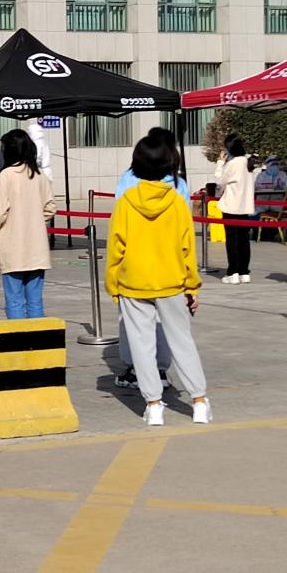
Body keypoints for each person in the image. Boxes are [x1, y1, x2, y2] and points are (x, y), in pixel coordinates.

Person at [105, 134, 211, 427]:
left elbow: (116, 246)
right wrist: (192, 285)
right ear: (168, 164)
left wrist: (113, 284)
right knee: (182, 341)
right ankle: (199, 401)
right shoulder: (177, 201)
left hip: (133, 281)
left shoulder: (126, 202)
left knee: (141, 345)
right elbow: (187, 247)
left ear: (136, 165)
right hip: (171, 281)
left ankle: (153, 405)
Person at [112, 127, 187, 390]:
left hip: (134, 265)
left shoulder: (128, 179)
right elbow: (185, 234)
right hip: (169, 266)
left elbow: (118, 226)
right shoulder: (178, 184)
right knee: (165, 322)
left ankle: (135, 369)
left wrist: (113, 276)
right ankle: (161, 369)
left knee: (132, 323)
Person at [0, 129, 56, 319]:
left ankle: (18, 335)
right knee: (35, 301)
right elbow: (50, 207)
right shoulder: (39, 175)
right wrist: (35, 221)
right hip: (37, 247)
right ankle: (37, 335)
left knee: (14, 300)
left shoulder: (6, 175)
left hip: (12, 245)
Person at [215, 134, 255, 285]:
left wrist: (220, 163)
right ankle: (244, 272)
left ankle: (233, 272)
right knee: (244, 240)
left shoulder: (233, 163)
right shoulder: (247, 161)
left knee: (232, 241)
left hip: (231, 206)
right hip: (245, 206)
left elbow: (220, 180)